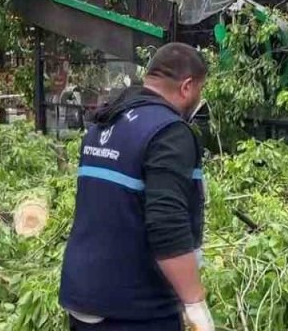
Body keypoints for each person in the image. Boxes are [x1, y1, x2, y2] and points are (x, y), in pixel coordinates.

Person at [60, 43, 213, 331]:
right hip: (134, 309)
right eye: (200, 90)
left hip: (82, 295)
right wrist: (194, 302)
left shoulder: (105, 122)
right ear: (187, 86)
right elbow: (168, 224)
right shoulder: (169, 132)